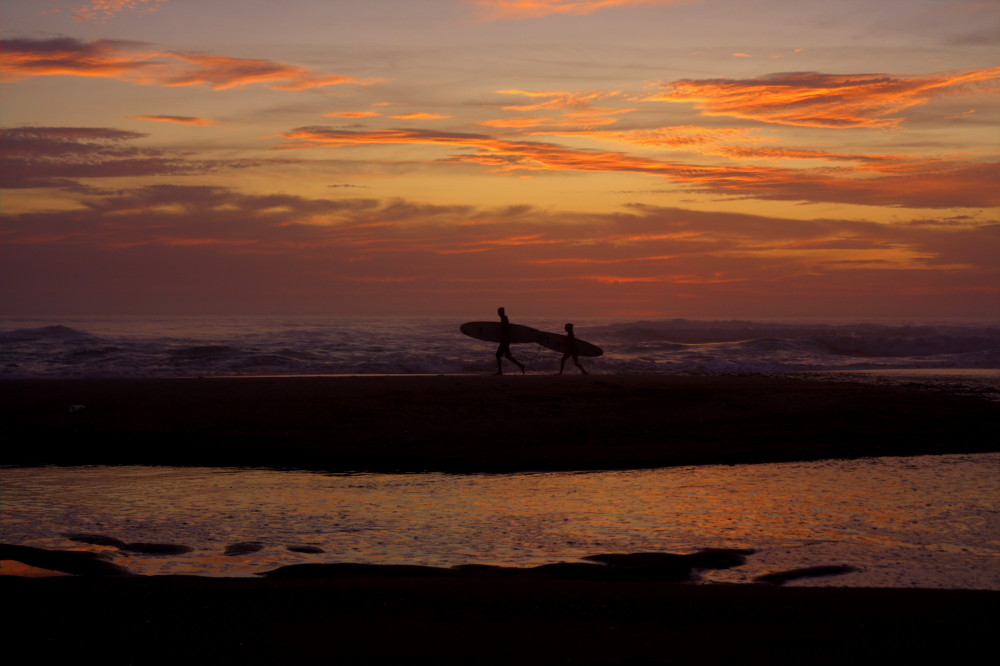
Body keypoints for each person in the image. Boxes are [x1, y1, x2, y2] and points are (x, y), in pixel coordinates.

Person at [496, 307, 526, 375]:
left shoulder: (504, 318)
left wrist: (503, 338)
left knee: (498, 355)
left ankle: (500, 371)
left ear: (499, 312)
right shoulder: (504, 318)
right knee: (507, 356)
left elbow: (506, 329)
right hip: (506, 340)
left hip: (505, 340)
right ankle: (521, 366)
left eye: (499, 312)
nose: (499, 313)